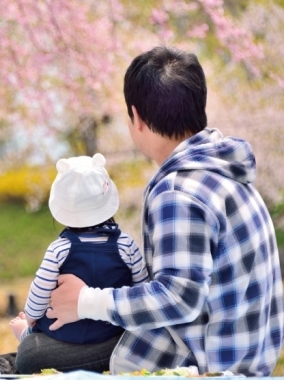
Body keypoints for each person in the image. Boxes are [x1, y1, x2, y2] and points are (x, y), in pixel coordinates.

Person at [43, 46, 284, 376]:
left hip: (199, 367)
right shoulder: (229, 175)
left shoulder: (178, 191)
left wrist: (86, 301)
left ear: (136, 117)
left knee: (33, 355)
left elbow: (178, 297)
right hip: (245, 361)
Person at [8, 153, 148, 373]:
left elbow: (39, 293)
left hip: (64, 334)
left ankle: (25, 333)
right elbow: (142, 288)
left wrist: (32, 318)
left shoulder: (59, 249)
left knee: (30, 346)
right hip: (111, 332)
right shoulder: (127, 245)